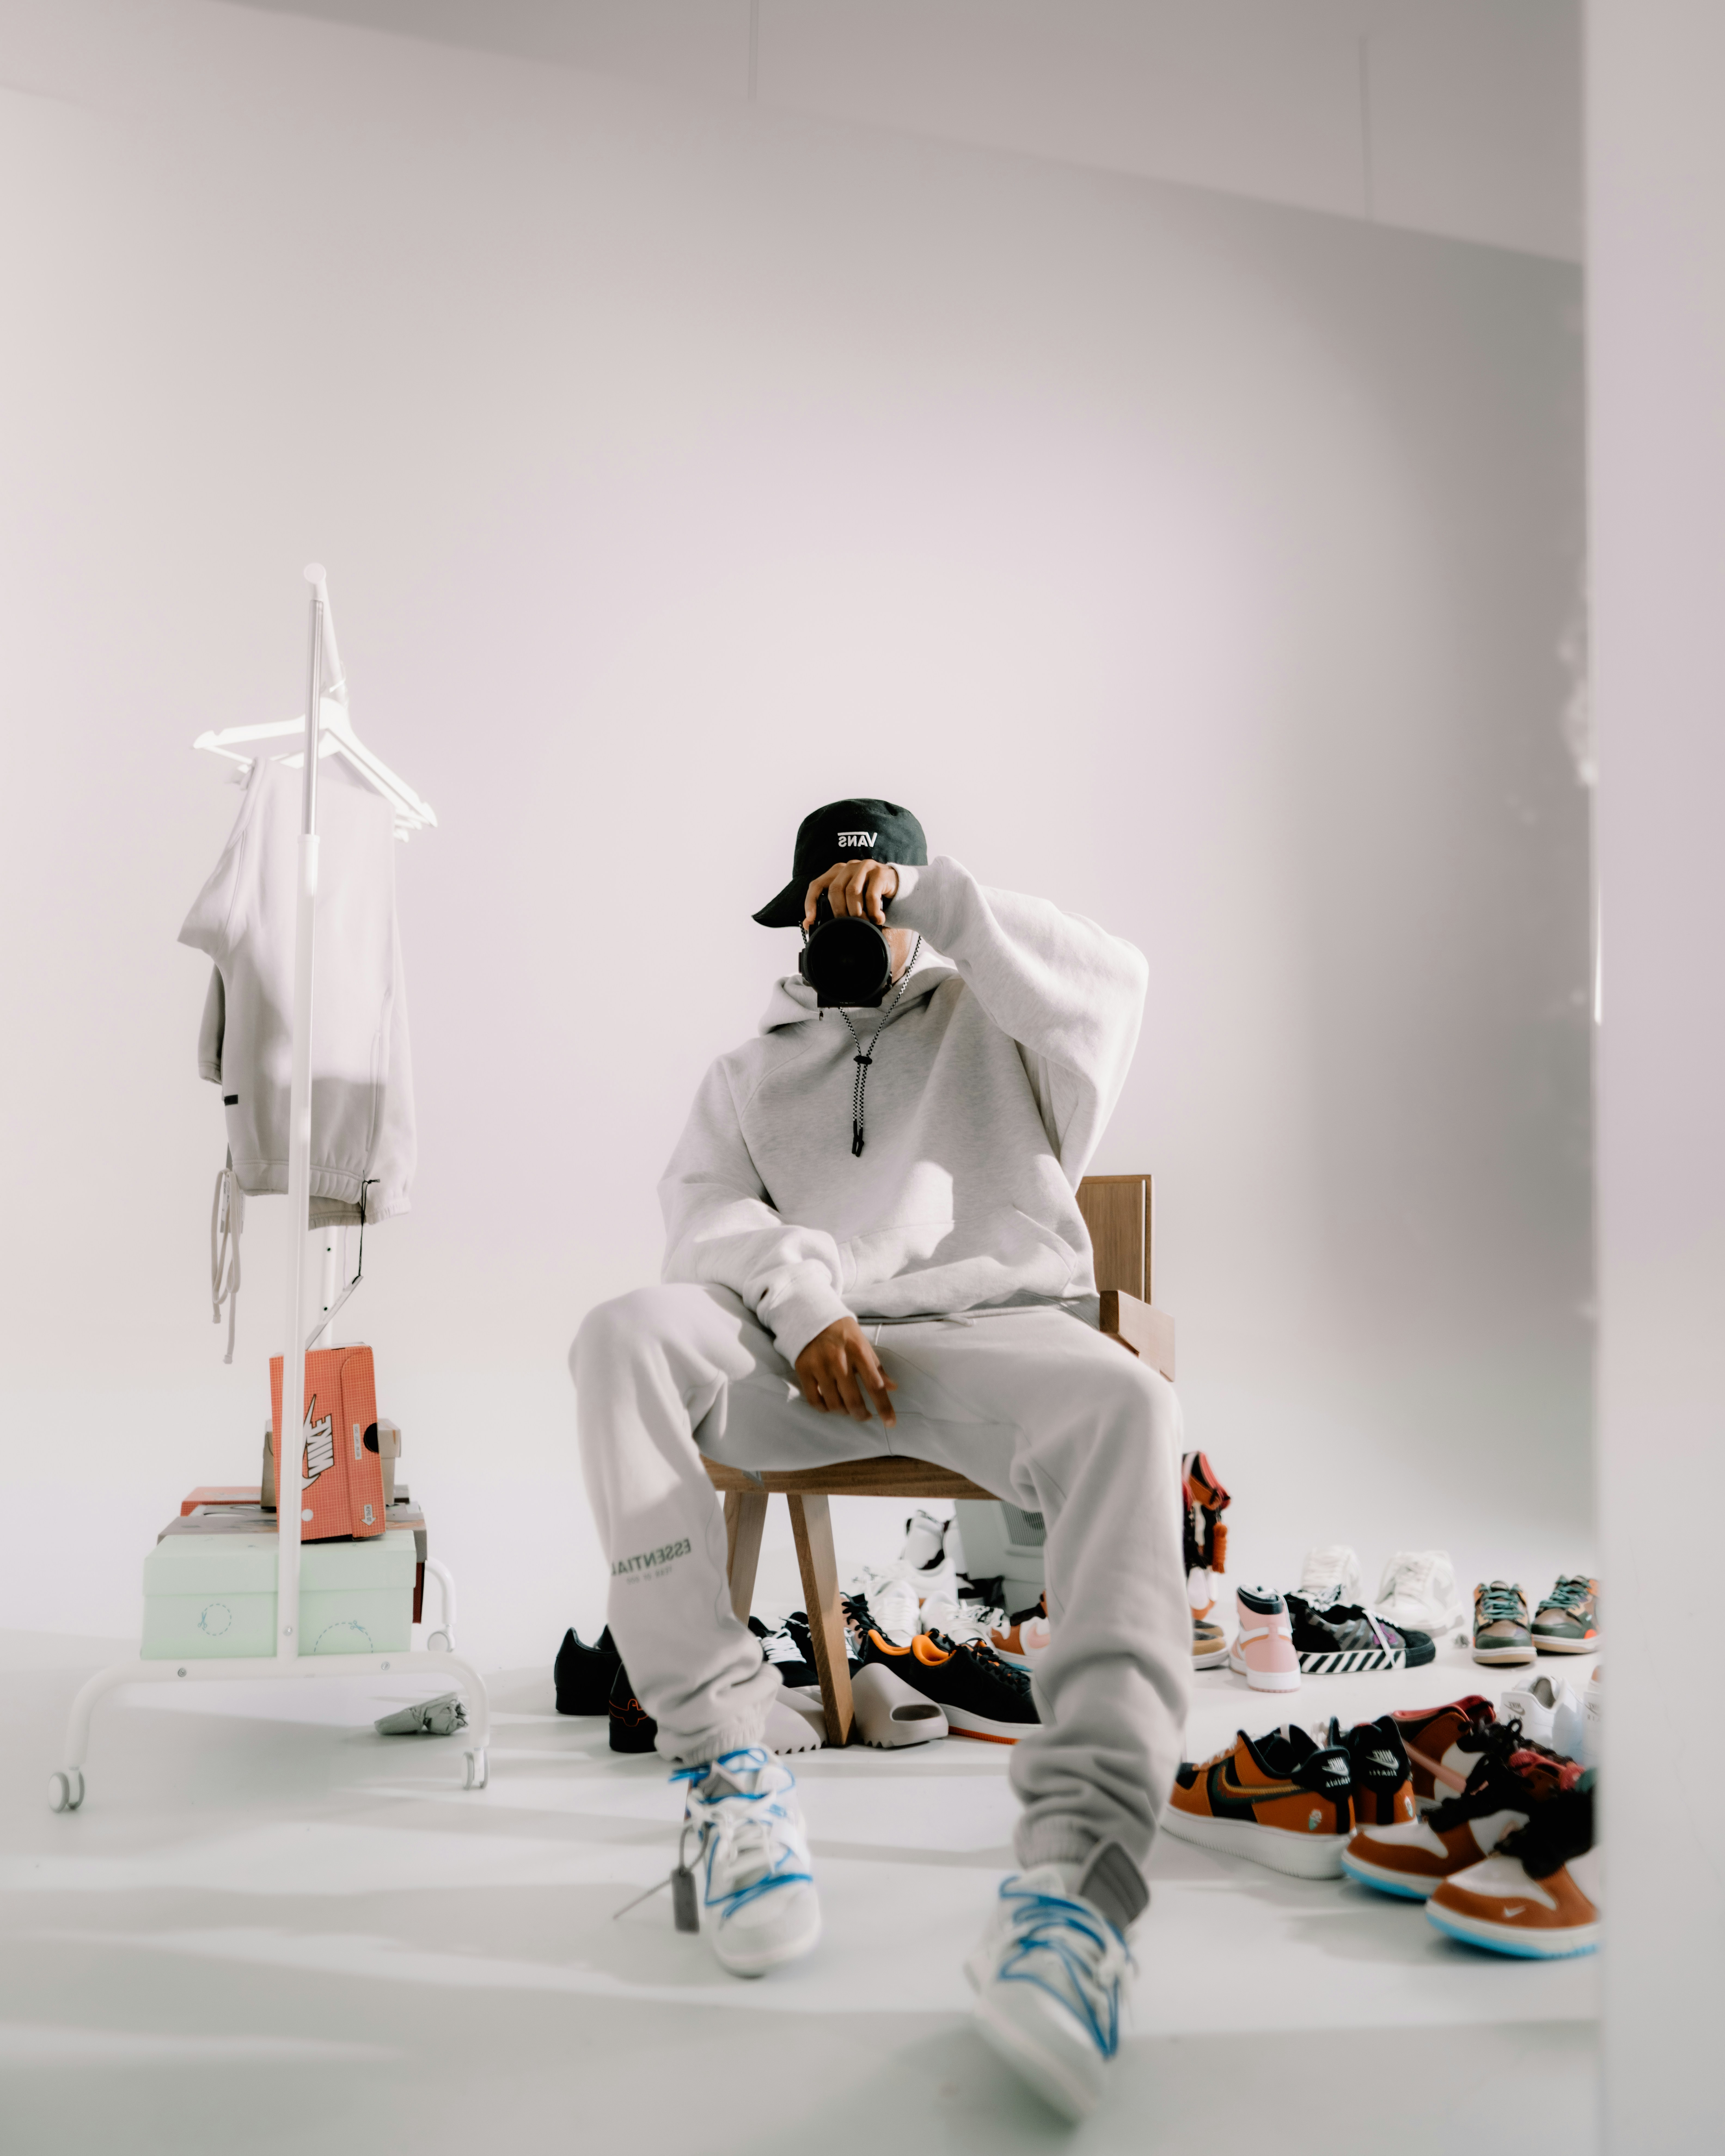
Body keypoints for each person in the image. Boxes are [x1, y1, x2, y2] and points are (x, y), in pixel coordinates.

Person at [572, 798, 1189, 2120]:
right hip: (806, 1359)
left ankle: (1082, 1875)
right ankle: (729, 1762)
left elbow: (1118, 986)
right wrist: (806, 1305)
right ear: (792, 915)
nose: (844, 923)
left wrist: (943, 906)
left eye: (868, 900)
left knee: (1132, 1407)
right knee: (625, 1335)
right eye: (823, 901)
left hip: (989, 1335)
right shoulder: (746, 1073)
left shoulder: (1002, 1016)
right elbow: (704, 1224)